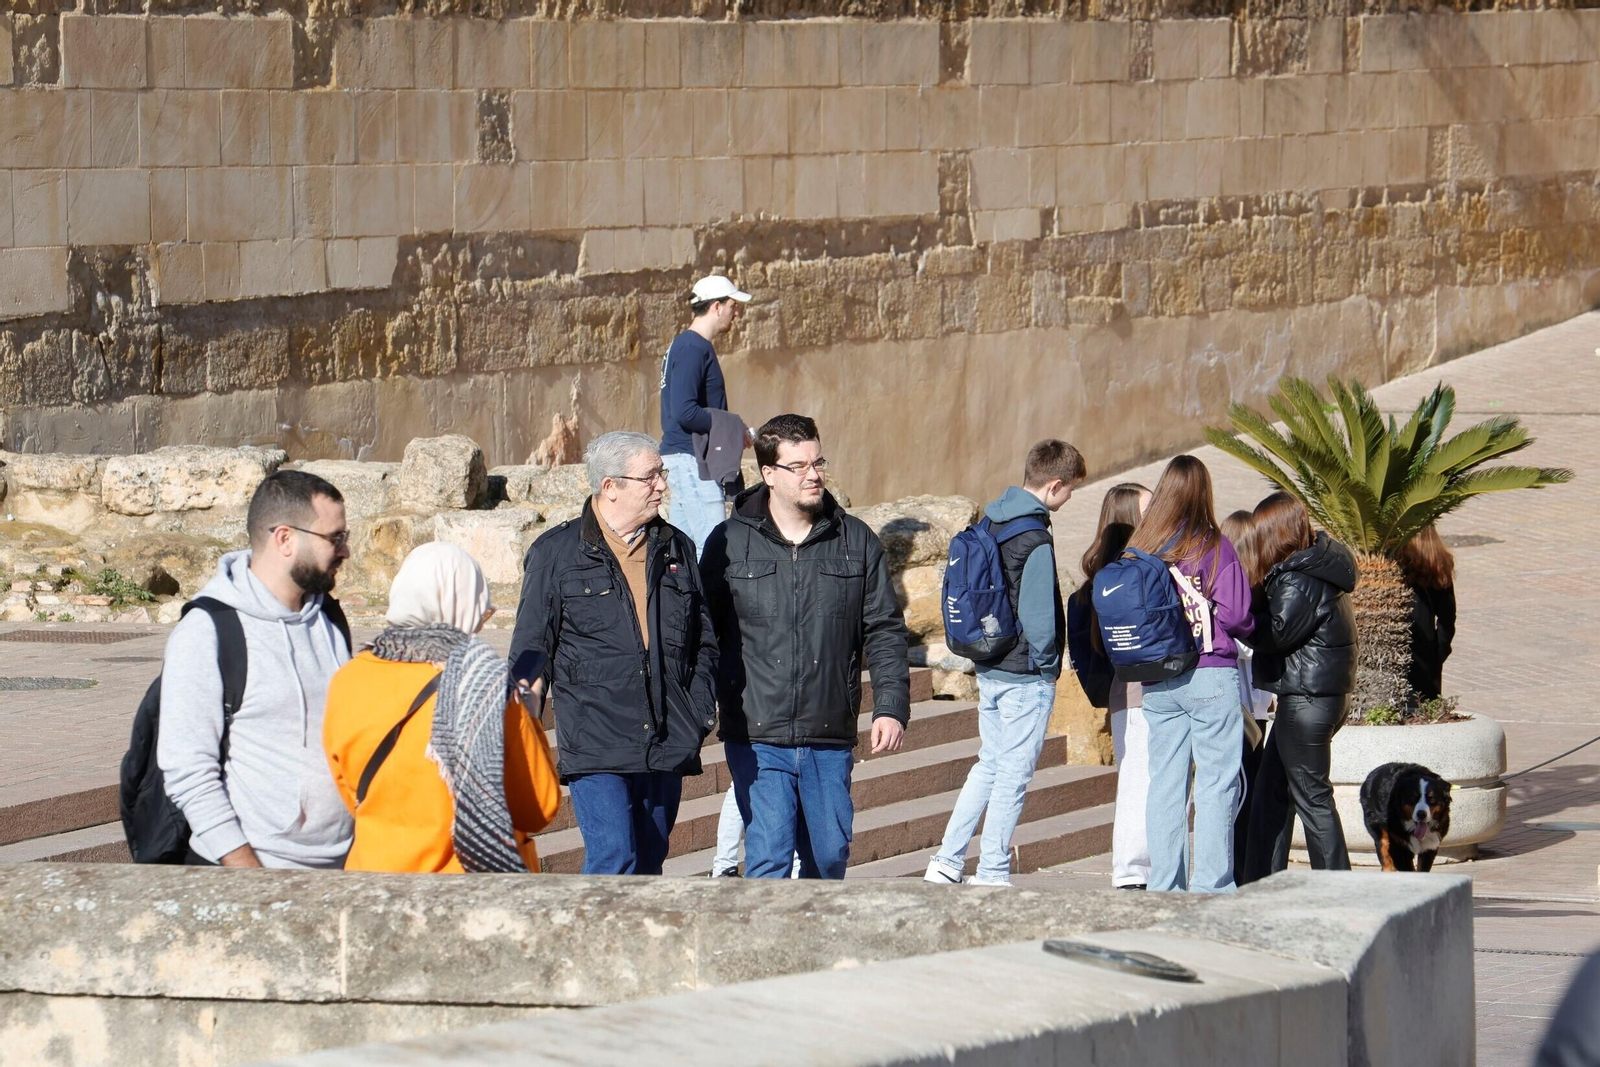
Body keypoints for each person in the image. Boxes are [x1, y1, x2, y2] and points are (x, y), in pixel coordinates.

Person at [701, 414, 910, 880]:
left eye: (818, 462)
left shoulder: (855, 540)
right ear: (769, 474)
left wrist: (890, 707)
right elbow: (703, 631)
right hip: (757, 732)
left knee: (829, 857)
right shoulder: (729, 542)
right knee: (769, 857)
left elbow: (884, 629)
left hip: (827, 730)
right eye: (797, 466)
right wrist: (704, 705)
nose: (813, 475)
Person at [509, 431, 719, 876]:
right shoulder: (555, 553)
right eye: (651, 477)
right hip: (596, 743)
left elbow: (704, 641)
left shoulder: (676, 546)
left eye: (661, 473)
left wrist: (698, 710)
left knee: (649, 862)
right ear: (611, 487)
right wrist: (521, 728)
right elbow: (530, 651)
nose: (663, 485)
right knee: (614, 859)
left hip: (666, 737)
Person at [156, 470, 355, 868]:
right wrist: (250, 877)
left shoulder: (330, 618)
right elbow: (188, 773)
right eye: (335, 538)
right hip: (249, 874)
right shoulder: (207, 631)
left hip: (340, 871)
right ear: (285, 539)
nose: (345, 551)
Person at [324, 544, 561, 873]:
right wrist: (528, 714)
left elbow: (350, 793)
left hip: (377, 875)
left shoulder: (348, 679)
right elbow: (537, 808)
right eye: (480, 615)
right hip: (468, 883)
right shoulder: (484, 684)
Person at [925, 440, 1086, 887]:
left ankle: (947, 860)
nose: (1070, 497)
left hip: (991, 665)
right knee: (1013, 776)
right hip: (1025, 676)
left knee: (989, 765)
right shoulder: (1035, 537)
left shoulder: (991, 521)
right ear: (1054, 485)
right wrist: (1048, 666)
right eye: (1071, 489)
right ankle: (992, 870)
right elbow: (1039, 616)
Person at [1128, 455, 1255, 893]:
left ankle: (1165, 887)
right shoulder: (1212, 545)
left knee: (1165, 785)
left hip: (1157, 678)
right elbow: (1237, 615)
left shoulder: (1141, 547)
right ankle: (1211, 888)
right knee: (1216, 784)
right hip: (1208, 672)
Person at [1241, 491, 1358, 882]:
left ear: (1275, 533)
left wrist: (1239, 619)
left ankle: (1335, 892)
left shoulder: (1298, 578)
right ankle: (1263, 883)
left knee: (1312, 799)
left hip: (1307, 701)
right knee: (1272, 795)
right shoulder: (1315, 568)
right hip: (1314, 699)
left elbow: (1276, 634)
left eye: (1261, 533)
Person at [1064, 482, 1153, 890]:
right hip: (1137, 695)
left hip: (1129, 696)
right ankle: (1132, 871)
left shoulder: (1098, 584)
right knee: (1139, 780)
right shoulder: (1125, 582)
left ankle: (1142, 868)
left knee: (1143, 778)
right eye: (1149, 511)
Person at [659, 273, 754, 558]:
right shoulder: (692, 347)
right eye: (733, 306)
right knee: (713, 550)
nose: (736, 313)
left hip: (688, 458)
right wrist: (732, 428)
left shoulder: (689, 345)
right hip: (691, 459)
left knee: (685, 554)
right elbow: (685, 411)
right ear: (716, 306)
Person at [1220, 509, 1274, 882]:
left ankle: (1244, 871)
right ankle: (1241, 872)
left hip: (1253, 707)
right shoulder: (1240, 591)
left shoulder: (1245, 586)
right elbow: (1238, 641)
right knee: (1243, 792)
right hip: (1241, 707)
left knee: (1245, 791)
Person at [1396, 524, 1456, 701]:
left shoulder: (1396, 563)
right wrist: (1439, 652)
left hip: (1396, 642)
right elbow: (1447, 617)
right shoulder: (1439, 564)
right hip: (1426, 650)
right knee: (1423, 704)